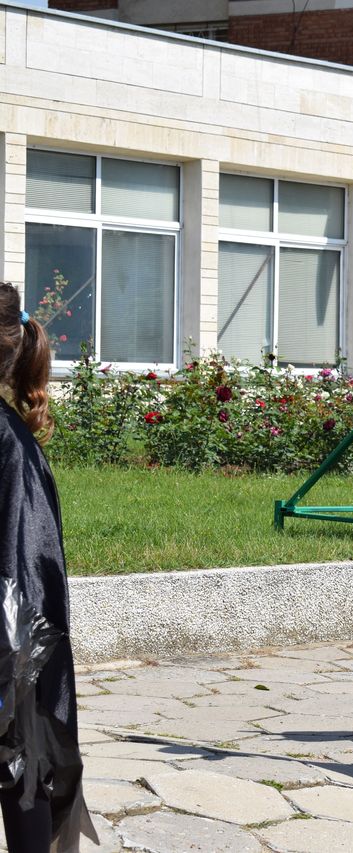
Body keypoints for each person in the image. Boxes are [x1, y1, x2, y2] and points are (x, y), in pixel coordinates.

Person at [0, 282, 96, 851]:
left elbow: (31, 575)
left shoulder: (13, 448)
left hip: (9, 670)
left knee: (23, 776)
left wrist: (19, 685)